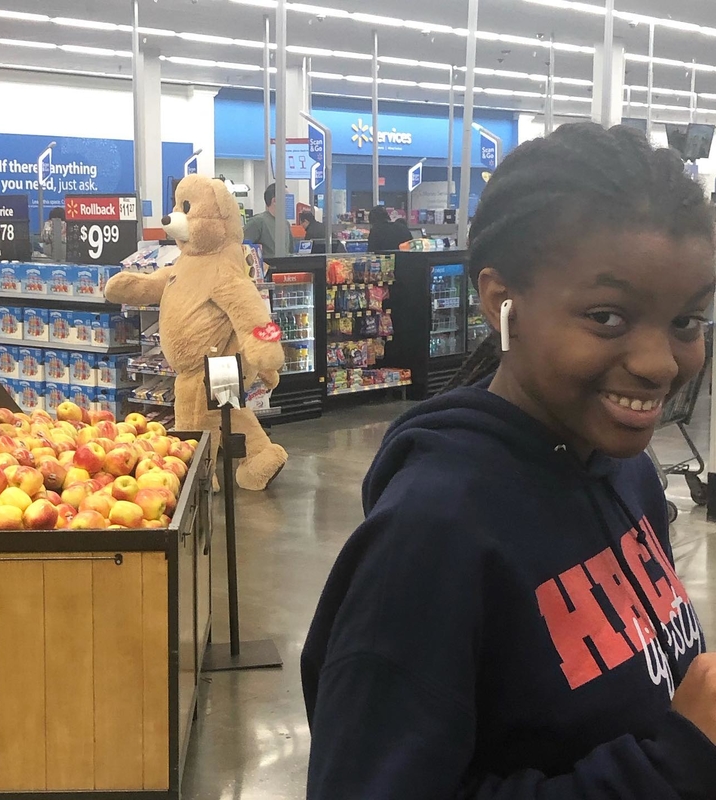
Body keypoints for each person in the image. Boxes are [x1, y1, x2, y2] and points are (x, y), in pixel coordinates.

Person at [302, 123, 716, 798]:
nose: (660, 363)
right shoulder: (430, 537)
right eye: (608, 317)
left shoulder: (629, 475)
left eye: (687, 321)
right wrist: (676, 766)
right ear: (502, 301)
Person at [243, 183, 294, 258]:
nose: (289, 201)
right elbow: (243, 249)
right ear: (274, 201)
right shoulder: (257, 222)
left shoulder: (285, 224)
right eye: (286, 198)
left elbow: (290, 251)